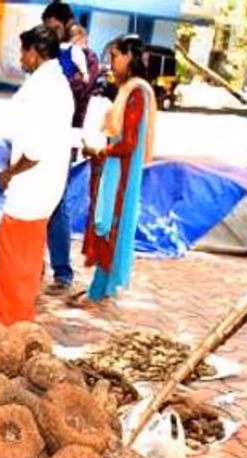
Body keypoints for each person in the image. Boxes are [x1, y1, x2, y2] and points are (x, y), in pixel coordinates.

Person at [0, 26, 73, 325]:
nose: (21, 57)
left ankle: (12, 320)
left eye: (23, 51)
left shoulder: (45, 89)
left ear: (36, 52)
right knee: (19, 253)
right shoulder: (55, 83)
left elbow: (34, 150)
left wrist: (9, 173)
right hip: (43, 184)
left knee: (17, 257)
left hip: (32, 183)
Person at [80, 35, 156, 306]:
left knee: (109, 229)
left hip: (120, 174)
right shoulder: (128, 90)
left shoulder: (136, 92)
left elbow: (128, 144)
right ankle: (99, 287)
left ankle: (99, 291)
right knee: (105, 228)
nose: (111, 63)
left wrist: (101, 151)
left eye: (115, 56)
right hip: (114, 168)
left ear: (129, 56)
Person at [40, 1, 100, 296]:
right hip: (41, 137)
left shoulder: (84, 56)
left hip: (64, 139)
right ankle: (35, 263)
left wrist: (64, 60)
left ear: (64, 23)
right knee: (37, 201)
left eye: (52, 26)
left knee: (58, 204)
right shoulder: (51, 52)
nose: (48, 32)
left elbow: (80, 89)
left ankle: (62, 272)